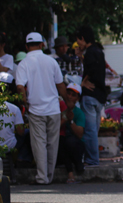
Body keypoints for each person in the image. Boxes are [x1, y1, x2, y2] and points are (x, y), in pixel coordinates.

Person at [15, 32, 68, 185]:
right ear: (42, 44)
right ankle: (49, 176)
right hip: (53, 108)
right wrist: (68, 103)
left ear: (26, 46)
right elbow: (60, 85)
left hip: (36, 109)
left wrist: (25, 103)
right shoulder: (51, 62)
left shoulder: (23, 63)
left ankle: (42, 177)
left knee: (39, 143)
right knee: (52, 143)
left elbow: (20, 87)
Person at [75, 26, 107, 167]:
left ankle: (92, 159)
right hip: (99, 95)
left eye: (78, 41)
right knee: (94, 129)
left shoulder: (90, 53)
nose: (78, 44)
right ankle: (93, 159)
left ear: (82, 38)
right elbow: (93, 67)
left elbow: (91, 68)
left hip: (90, 96)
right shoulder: (98, 51)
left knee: (90, 130)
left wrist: (83, 82)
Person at [57, 83, 86, 184]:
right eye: (68, 94)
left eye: (73, 95)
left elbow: (80, 134)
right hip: (62, 144)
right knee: (61, 142)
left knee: (69, 142)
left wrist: (70, 121)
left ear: (77, 99)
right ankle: (70, 172)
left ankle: (78, 165)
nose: (69, 97)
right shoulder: (59, 107)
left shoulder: (79, 113)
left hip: (75, 146)